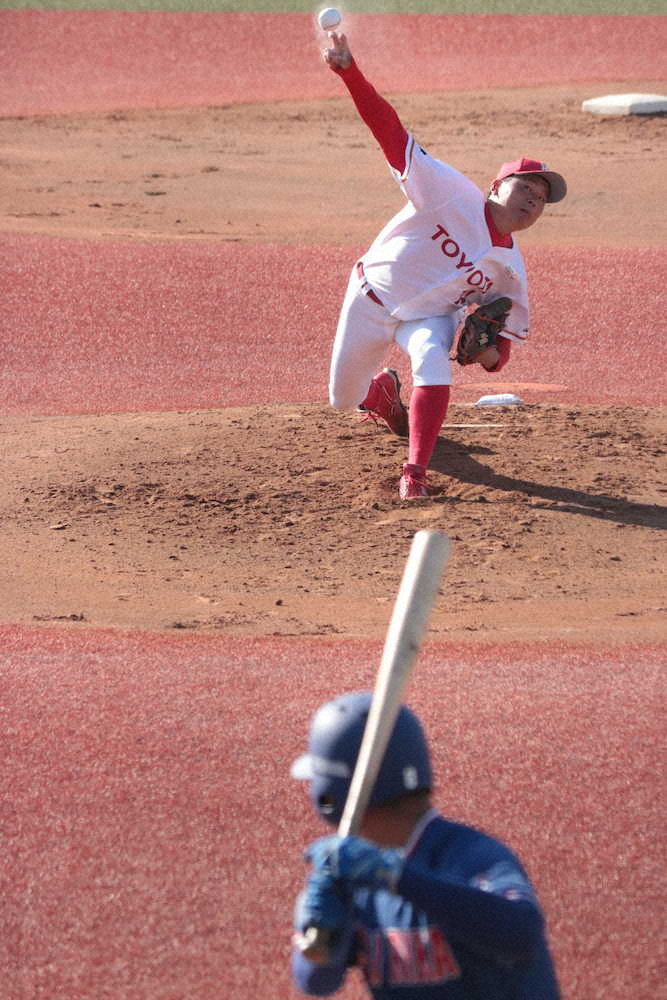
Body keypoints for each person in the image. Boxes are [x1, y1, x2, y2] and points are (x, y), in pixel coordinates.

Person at [322, 33, 567, 499]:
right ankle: (381, 395)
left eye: (542, 200)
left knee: (435, 363)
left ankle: (414, 472)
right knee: (341, 399)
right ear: (496, 188)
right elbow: (390, 132)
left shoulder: (510, 272)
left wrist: (486, 351)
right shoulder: (449, 190)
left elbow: (500, 356)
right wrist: (349, 72)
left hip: (429, 318)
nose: (535, 200)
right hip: (369, 296)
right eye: (526, 189)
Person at [290, 691, 561, 998]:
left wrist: (398, 877)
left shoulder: (470, 857)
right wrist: (320, 933)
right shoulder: (351, 877)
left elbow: (522, 934)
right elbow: (315, 983)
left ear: (331, 793)